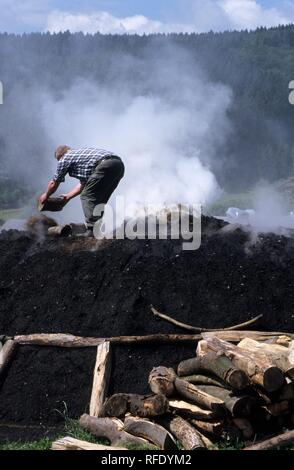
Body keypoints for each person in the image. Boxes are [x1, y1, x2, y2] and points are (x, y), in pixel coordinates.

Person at [39, 146, 125, 238]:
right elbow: (83, 184)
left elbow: (54, 183)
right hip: (118, 165)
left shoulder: (65, 158)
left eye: (58, 160)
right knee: (98, 199)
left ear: (60, 156)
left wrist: (46, 195)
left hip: (105, 165)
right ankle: (97, 228)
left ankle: (92, 230)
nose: (59, 162)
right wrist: (68, 196)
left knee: (86, 195)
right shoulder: (80, 157)